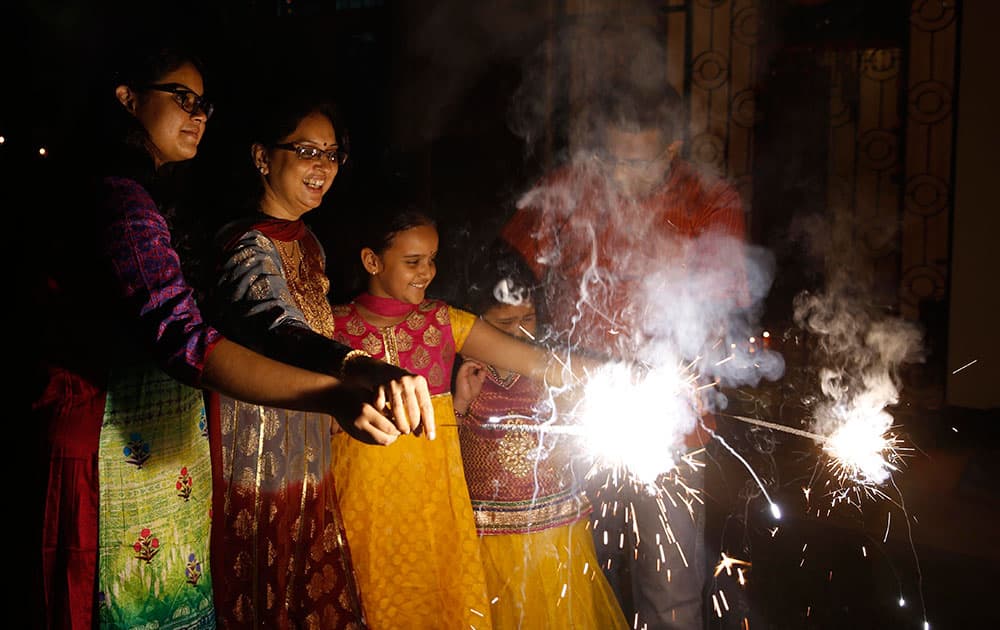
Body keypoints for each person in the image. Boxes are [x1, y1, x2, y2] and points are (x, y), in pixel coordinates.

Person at [30, 41, 432, 630]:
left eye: (204, 105)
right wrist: (341, 382)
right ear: (127, 99)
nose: (197, 114)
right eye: (182, 98)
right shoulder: (123, 200)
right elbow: (201, 335)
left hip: (175, 452)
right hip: (115, 445)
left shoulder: (172, 201)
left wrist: (359, 366)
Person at [501, 82, 749, 629]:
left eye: (637, 161)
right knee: (575, 570)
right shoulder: (569, 187)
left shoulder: (711, 200)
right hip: (569, 413)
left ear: (672, 148)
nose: (621, 175)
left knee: (670, 583)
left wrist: (676, 372)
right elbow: (508, 279)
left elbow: (721, 311)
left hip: (669, 419)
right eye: (612, 157)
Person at [326, 195, 610, 629]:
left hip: (435, 505)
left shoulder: (443, 323)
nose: (427, 273)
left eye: (432, 260)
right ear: (371, 260)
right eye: (414, 261)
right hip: (359, 502)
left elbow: (538, 362)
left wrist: (621, 375)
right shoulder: (331, 328)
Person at [207, 95, 378, 628]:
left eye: (332, 154)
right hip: (255, 461)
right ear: (262, 157)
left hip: (307, 453)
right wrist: (357, 367)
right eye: (306, 151)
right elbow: (280, 328)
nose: (322, 167)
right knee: (266, 595)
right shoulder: (246, 246)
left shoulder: (309, 242)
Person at [451, 241, 629, 629]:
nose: (519, 334)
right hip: (489, 542)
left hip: (558, 535)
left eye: (527, 319)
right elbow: (441, 447)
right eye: (502, 325)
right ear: (475, 321)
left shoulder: (552, 369)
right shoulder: (462, 372)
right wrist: (459, 405)